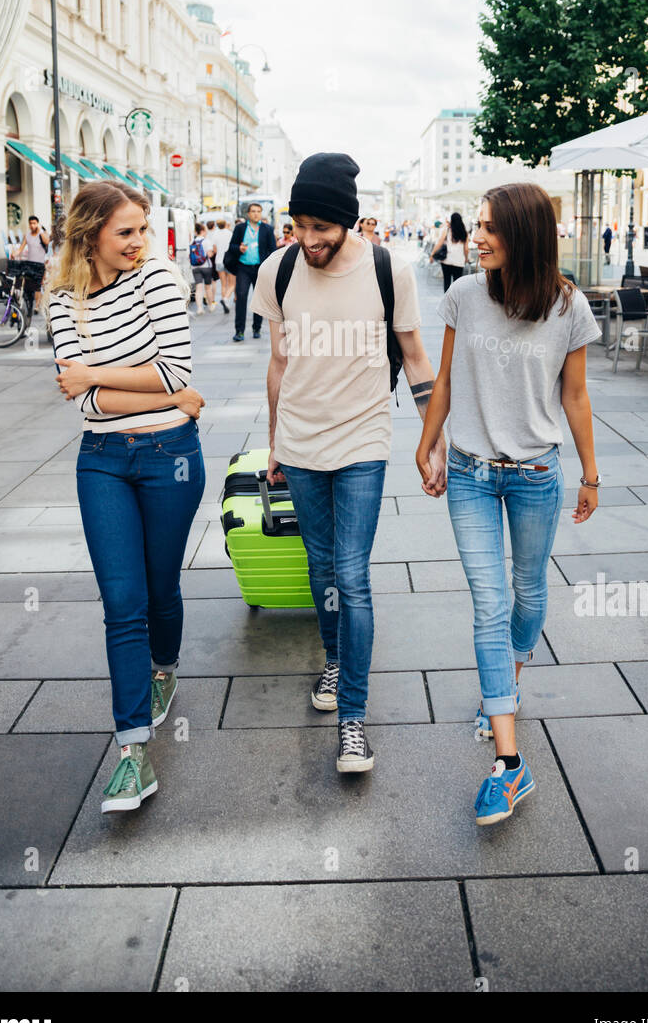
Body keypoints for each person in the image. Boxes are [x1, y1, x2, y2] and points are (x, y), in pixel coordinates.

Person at [252, 152, 445, 774]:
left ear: (349, 223)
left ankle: (353, 720)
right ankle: (333, 660)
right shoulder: (279, 269)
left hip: (364, 440)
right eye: (298, 224)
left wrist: (433, 438)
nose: (308, 239)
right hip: (302, 446)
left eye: (321, 228)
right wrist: (277, 442)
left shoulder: (390, 270)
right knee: (320, 564)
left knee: (353, 575)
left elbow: (416, 358)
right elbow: (279, 365)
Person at [416, 183, 601, 828]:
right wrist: (427, 442)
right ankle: (509, 762)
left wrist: (591, 475)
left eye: (491, 227)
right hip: (468, 472)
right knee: (489, 604)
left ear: (523, 234)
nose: (478, 236)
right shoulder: (464, 296)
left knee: (527, 591)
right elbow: (444, 379)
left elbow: (575, 397)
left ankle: (508, 675)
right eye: (478, 226)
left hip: (535, 476)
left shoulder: (567, 307)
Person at [46, 179, 205, 815]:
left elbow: (176, 371)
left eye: (143, 229)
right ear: (90, 236)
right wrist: (167, 397)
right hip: (103, 461)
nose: (140, 242)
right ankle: (131, 754)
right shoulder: (61, 300)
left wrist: (100, 374)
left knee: (161, 588)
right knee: (123, 602)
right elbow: (86, 402)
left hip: (170, 459)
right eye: (126, 232)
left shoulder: (162, 280)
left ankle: (164, 669)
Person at [226, 201, 276, 342]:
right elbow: (232, 246)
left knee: (259, 299)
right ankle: (239, 331)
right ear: (248, 214)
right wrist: (239, 248)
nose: (256, 214)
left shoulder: (267, 229)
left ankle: (257, 328)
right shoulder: (240, 228)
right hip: (243, 267)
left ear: (261, 213)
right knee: (241, 297)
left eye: (258, 211)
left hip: (260, 268)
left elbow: (273, 250)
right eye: (253, 211)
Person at [12, 214, 50, 317]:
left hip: (40, 264)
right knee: (30, 285)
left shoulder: (42, 234)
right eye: (30, 223)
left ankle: (37, 306)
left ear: (37, 224)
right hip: (30, 264)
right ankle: (32, 303)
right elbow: (20, 249)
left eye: (34, 223)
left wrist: (41, 230)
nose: (32, 225)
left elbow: (47, 242)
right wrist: (14, 254)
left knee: (37, 286)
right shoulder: (27, 235)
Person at [431, 211, 469, 291]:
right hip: (459, 261)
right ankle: (455, 302)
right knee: (457, 285)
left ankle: (447, 301)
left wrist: (432, 254)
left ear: (452, 220)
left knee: (446, 282)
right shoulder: (465, 233)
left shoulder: (447, 230)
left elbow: (439, 243)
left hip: (446, 261)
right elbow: (466, 249)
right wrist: (466, 258)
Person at [189, 222, 215, 314]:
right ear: (203, 231)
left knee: (198, 287)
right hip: (206, 266)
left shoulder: (192, 241)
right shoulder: (206, 241)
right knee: (208, 287)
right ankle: (211, 305)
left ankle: (199, 308)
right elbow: (209, 254)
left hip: (195, 267)